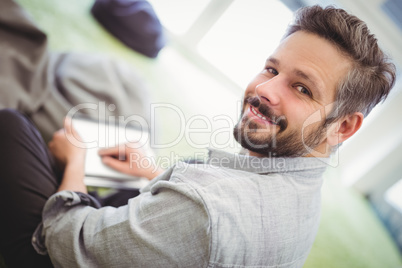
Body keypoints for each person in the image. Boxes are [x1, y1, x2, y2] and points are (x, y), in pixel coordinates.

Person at [0, 5, 396, 268]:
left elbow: (65, 238)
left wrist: (75, 162)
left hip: (51, 249)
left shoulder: (206, 210)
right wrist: (151, 172)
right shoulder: (302, 195)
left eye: (302, 89)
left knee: (12, 128)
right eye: (272, 70)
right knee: (128, 179)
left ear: (344, 127)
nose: (267, 91)